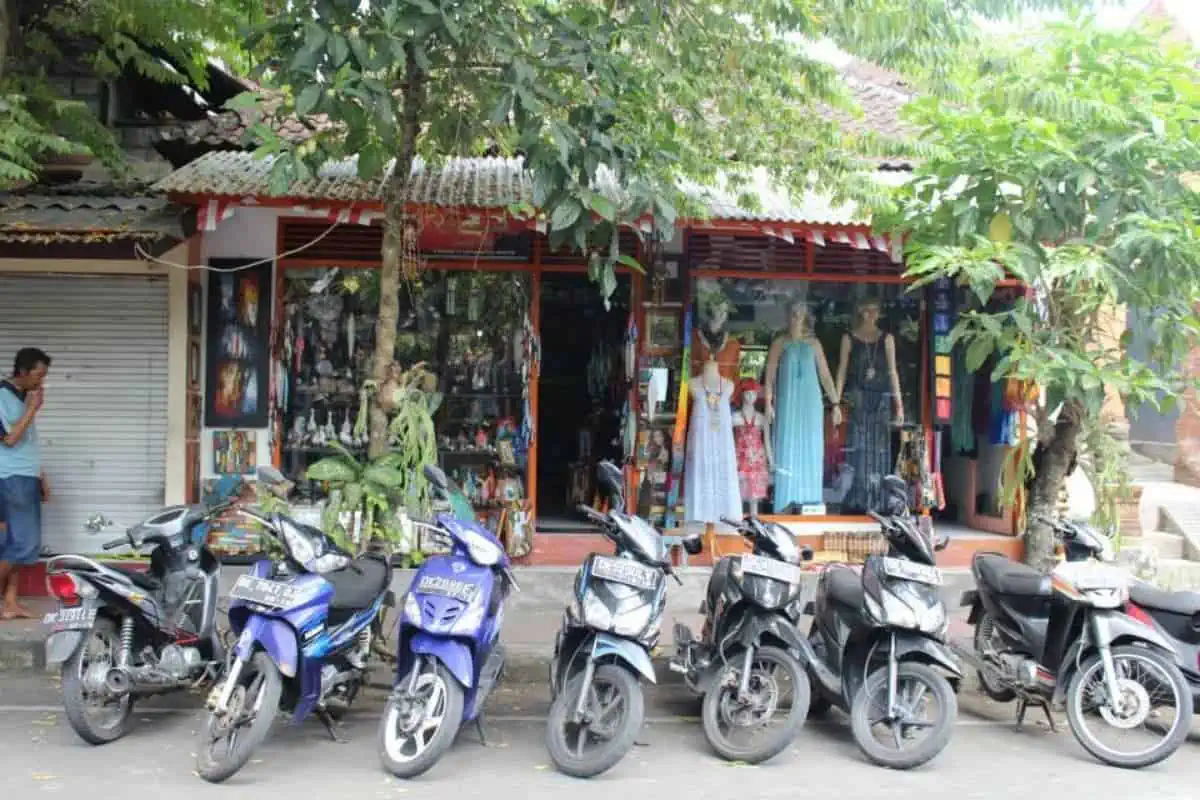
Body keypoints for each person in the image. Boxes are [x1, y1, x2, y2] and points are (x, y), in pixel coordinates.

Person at [0, 347, 51, 620]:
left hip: (25, 475)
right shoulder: (2, 396)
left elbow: (28, 442)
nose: (41, 381)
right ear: (22, 371)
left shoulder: (22, 396)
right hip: (10, 477)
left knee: (13, 544)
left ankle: (10, 602)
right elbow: (10, 440)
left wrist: (40, 475)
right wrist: (32, 409)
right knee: (24, 544)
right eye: (38, 375)